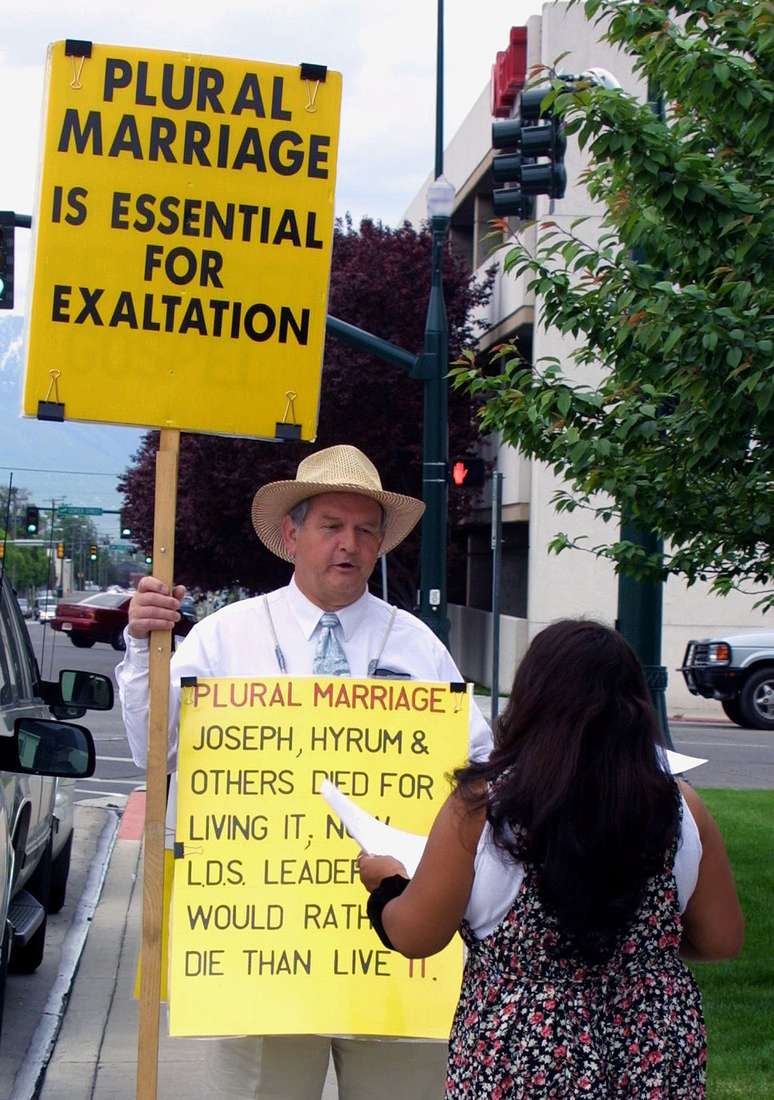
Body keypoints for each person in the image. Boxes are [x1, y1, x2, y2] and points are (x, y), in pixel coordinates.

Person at [117, 443, 492, 1100]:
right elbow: (159, 748)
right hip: (263, 943)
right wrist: (141, 647)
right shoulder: (224, 639)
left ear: (379, 545)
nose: (348, 544)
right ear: (292, 535)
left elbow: (475, 773)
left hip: (393, 946)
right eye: (331, 527)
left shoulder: (418, 647)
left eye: (365, 530)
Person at [357, 619, 744, 1099]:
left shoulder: (483, 809)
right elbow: (722, 939)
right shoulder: (680, 805)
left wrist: (389, 883)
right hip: (655, 1045)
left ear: (532, 701)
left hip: (518, 1049)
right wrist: (638, 952)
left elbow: (415, 935)